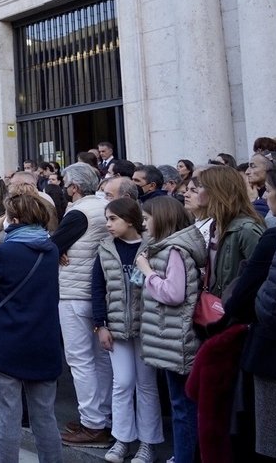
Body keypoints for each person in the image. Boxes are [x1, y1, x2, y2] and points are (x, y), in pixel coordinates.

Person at [0, 193, 64, 463]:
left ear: (14, 219)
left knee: (8, 419)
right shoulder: (51, 250)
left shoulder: (5, 251)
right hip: (44, 340)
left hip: (7, 340)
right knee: (45, 418)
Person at [212, 162, 276, 460]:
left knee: (272, 441)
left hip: (273, 351)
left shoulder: (272, 237)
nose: (265, 197)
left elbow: (260, 298)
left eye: (269, 191)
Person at [134, 196, 206, 463]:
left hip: (176, 339)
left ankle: (184, 457)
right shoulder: (163, 246)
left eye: (146, 219)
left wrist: (147, 272)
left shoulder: (174, 249)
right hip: (170, 338)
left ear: (161, 218)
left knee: (182, 406)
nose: (143, 224)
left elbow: (174, 293)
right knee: (182, 404)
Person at [92, 198, 163, 463]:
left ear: (130, 220)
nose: (108, 224)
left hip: (147, 326)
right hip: (116, 326)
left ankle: (148, 442)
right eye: (107, 219)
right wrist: (100, 325)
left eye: (113, 219)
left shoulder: (152, 247)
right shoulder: (105, 248)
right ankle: (122, 438)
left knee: (146, 384)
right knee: (122, 382)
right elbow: (97, 289)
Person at [55, 163, 114, 447]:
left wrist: (60, 250)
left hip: (75, 292)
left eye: (66, 184)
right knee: (100, 360)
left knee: (80, 360)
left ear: (74, 187)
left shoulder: (78, 212)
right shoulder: (103, 207)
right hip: (98, 292)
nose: (65, 189)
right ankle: (101, 417)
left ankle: (92, 424)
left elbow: (53, 245)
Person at [196, 165, 265, 298]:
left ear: (217, 190)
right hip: (216, 306)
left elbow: (261, 277)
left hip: (236, 312)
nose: (196, 192)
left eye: (201, 186)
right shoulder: (215, 225)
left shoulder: (246, 229)